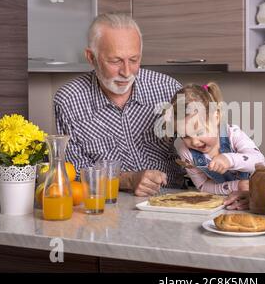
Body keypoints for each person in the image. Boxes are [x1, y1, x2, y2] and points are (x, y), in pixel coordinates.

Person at [54, 12, 184, 197]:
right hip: (111, 203)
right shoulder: (69, 100)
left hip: (175, 198)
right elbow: (75, 173)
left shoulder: (168, 89)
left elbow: (207, 144)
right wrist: (128, 180)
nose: (126, 72)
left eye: (134, 60)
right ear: (91, 57)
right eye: (115, 61)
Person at [168, 82, 265, 198]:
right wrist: (236, 186)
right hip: (224, 202)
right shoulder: (187, 153)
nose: (194, 142)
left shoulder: (232, 133)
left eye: (199, 132)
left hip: (256, 196)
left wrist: (229, 159)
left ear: (216, 117)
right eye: (185, 136)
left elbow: (260, 162)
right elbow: (202, 186)